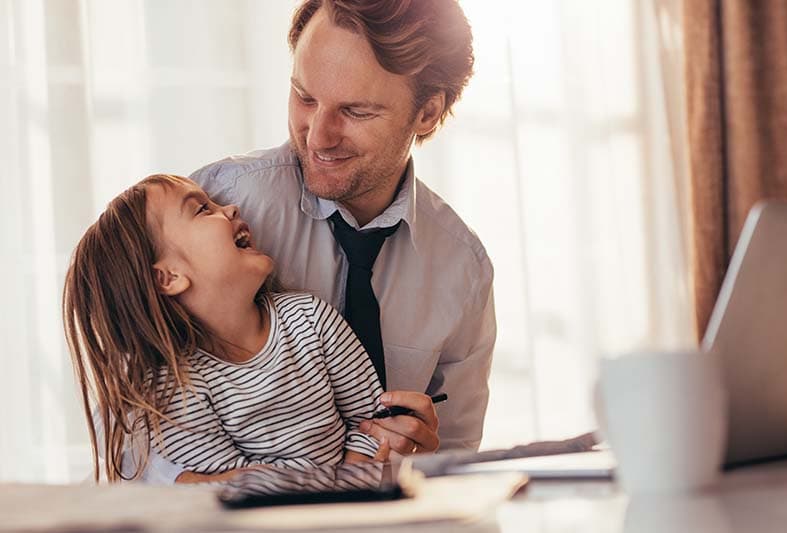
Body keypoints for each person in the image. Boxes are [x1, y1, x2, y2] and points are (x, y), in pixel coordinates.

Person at [143, 0, 496, 484]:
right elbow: (124, 426)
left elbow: (456, 466)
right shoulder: (221, 204)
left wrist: (420, 455)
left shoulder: (462, 269)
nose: (318, 137)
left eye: (355, 110)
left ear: (427, 113)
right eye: (304, 97)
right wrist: (231, 492)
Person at [63, 174, 390, 482]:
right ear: (169, 277)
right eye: (203, 209)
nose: (231, 209)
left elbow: (373, 422)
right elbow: (233, 488)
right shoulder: (175, 389)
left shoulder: (312, 319)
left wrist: (349, 492)